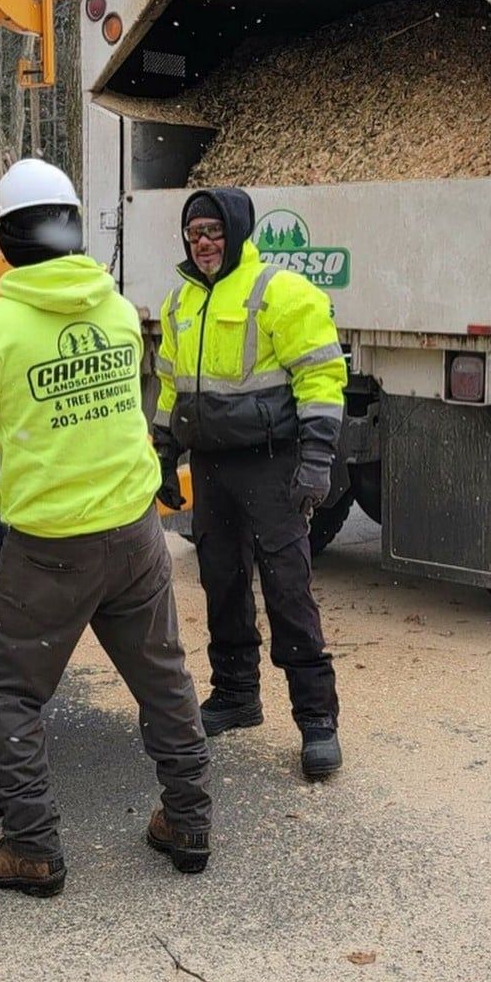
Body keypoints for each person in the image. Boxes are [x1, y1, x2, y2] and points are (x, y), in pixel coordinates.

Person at [0, 158, 211, 897]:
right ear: (72, 227)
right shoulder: (120, 312)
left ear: (4, 239)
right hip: (135, 534)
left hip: (51, 552)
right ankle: (189, 821)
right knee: (162, 679)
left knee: (10, 692)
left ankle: (31, 847)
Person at [153, 188, 347, 779]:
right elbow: (170, 387)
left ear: (236, 231)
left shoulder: (280, 292)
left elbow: (321, 377)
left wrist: (316, 461)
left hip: (273, 463)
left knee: (288, 588)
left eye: (213, 231)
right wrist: (163, 452)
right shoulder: (180, 302)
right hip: (212, 467)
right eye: (194, 234)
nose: (204, 243)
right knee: (222, 581)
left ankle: (318, 722)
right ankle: (237, 695)